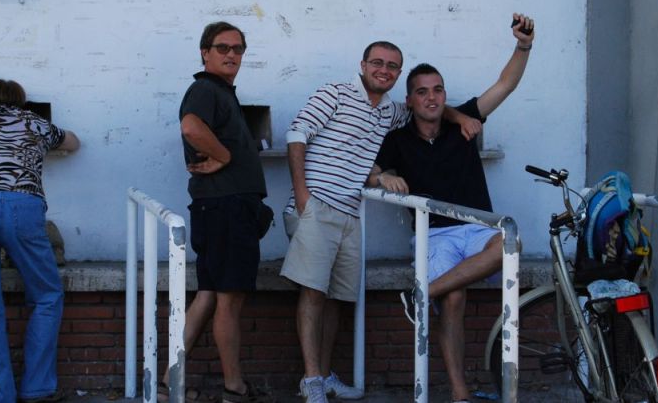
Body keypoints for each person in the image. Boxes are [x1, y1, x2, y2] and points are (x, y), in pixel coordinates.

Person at [280, 42, 480, 403]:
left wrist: (460, 118)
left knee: (336, 298)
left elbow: (428, 106)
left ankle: (323, 375)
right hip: (317, 207)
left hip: (350, 212)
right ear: (363, 64)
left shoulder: (390, 111)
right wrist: (303, 195)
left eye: (392, 66)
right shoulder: (335, 93)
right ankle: (311, 381)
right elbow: (296, 135)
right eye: (378, 63)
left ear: (398, 74)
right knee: (312, 292)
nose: (384, 70)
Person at [368, 13, 535, 403]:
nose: (432, 97)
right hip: (434, 235)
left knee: (510, 242)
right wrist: (383, 177)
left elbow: (505, 85)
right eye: (422, 92)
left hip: (477, 230)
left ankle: (421, 294)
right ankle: (461, 395)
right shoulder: (397, 139)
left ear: (444, 96)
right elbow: (369, 171)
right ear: (410, 100)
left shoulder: (463, 123)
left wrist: (523, 45)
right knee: (454, 299)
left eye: (438, 90)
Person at [0, 79, 80, 403]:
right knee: (47, 296)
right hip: (24, 205)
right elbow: (74, 142)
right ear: (21, 101)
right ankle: (37, 388)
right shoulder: (36, 122)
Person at [165, 21, 273, 403]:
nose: (231, 54)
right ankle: (234, 388)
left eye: (238, 48)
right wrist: (225, 156)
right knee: (229, 299)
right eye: (222, 47)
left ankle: (167, 384)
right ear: (204, 53)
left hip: (219, 208)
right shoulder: (205, 88)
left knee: (209, 296)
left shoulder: (220, 92)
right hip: (227, 209)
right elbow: (190, 127)